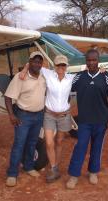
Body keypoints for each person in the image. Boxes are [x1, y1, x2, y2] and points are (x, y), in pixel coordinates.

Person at [66, 48, 108, 189]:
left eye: (94, 60)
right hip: (84, 120)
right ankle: (74, 175)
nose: (91, 62)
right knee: (80, 146)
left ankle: (93, 172)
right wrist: (64, 110)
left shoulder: (106, 76)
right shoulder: (79, 76)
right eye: (88, 60)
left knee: (97, 147)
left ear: (98, 61)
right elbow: (66, 90)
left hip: (101, 120)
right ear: (85, 61)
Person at [19, 54, 75, 183]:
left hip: (64, 115)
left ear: (66, 66)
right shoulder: (48, 74)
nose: (61, 67)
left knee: (60, 141)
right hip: (49, 114)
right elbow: (32, 63)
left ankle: (55, 166)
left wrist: (102, 70)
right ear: (54, 66)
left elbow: (87, 73)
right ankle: (54, 168)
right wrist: (24, 70)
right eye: (58, 65)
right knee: (49, 142)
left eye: (63, 65)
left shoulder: (71, 78)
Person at [4, 51, 46, 187]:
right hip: (23, 115)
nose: (37, 64)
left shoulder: (44, 76)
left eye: (39, 62)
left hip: (39, 115)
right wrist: (11, 115)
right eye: (34, 61)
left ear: (42, 64)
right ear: (29, 62)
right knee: (19, 144)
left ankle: (29, 167)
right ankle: (12, 174)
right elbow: (8, 97)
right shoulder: (20, 77)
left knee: (32, 143)